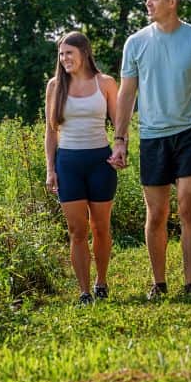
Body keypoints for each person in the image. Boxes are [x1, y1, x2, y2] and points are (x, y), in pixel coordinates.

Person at [110, 0, 191, 299]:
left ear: (172, 2)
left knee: (188, 205)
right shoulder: (135, 43)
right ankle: (159, 283)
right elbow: (126, 93)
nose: (148, 3)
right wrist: (120, 138)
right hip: (152, 136)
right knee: (157, 212)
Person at [45, 31, 119, 305]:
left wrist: (121, 147)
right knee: (77, 231)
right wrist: (50, 169)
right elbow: (50, 132)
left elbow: (119, 121)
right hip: (68, 163)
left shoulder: (106, 83)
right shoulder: (55, 86)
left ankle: (101, 281)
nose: (65, 59)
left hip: (101, 161)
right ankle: (85, 291)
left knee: (100, 228)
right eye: (61, 54)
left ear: (85, 53)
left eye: (69, 54)